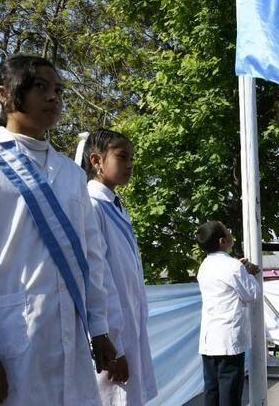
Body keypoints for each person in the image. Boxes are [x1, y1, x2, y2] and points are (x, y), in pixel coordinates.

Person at [0, 54, 117, 406]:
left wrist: (100, 328)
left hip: (72, 343)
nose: (54, 97)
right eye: (40, 87)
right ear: (5, 94)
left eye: (58, 89)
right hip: (9, 347)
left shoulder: (71, 174)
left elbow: (92, 259)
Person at [76, 129, 158, 405]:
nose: (130, 164)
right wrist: (114, 346)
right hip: (111, 340)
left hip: (127, 331)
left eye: (132, 158)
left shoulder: (115, 206)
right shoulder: (92, 206)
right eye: (122, 157)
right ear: (97, 160)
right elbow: (98, 282)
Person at [195, 221, 261, 406]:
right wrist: (249, 273)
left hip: (209, 339)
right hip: (228, 340)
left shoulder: (204, 266)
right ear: (223, 241)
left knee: (212, 390)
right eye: (227, 231)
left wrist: (240, 270)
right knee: (230, 393)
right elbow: (253, 295)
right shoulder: (234, 267)